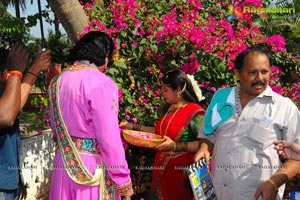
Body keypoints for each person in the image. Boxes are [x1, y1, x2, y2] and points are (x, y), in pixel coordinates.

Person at [196, 46, 300, 200]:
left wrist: (273, 182)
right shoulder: (222, 99)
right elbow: (208, 134)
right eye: (252, 72)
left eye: (264, 72)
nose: (260, 78)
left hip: (257, 195)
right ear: (237, 73)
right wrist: (203, 148)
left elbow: (297, 158)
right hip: (217, 192)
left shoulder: (284, 108)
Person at [48, 31, 134, 200]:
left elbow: (54, 127)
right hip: (91, 171)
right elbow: (109, 139)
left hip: (64, 164)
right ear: (104, 56)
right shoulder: (101, 83)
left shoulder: (56, 82)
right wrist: (123, 181)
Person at [121, 69, 206, 200]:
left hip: (180, 174)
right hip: (161, 169)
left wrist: (174, 146)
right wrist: (132, 126)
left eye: (166, 90)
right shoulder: (168, 109)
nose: (163, 93)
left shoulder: (195, 112)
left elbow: (203, 145)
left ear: (178, 90)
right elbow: (158, 132)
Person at [0, 44, 52, 200]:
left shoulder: (5, 94)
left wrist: (17, 179)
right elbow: (6, 116)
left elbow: (14, 106)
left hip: (8, 182)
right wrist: (16, 72)